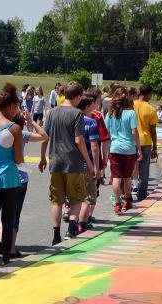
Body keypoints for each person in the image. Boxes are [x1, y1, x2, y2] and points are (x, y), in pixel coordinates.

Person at [39, 80, 92, 244]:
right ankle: (71, 229)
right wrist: (89, 162)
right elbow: (79, 140)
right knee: (76, 198)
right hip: (73, 163)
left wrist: (42, 157)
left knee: (57, 200)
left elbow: (44, 137)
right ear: (76, 97)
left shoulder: (52, 112)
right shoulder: (77, 114)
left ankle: (56, 234)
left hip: (56, 162)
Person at [0, 84, 25, 264]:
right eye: (16, 107)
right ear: (10, 107)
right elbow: (18, 159)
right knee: (8, 219)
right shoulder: (14, 128)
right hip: (8, 177)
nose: (17, 111)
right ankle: (6, 258)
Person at [106, 84, 139, 214]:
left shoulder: (110, 114)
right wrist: (139, 148)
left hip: (115, 148)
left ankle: (117, 203)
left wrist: (108, 150)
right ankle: (127, 201)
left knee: (116, 177)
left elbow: (107, 134)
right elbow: (134, 131)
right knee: (127, 177)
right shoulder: (131, 113)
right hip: (129, 149)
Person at [76, 95, 103, 233]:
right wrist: (97, 167)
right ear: (86, 106)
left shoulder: (72, 121)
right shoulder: (90, 123)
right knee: (88, 197)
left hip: (73, 164)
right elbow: (94, 146)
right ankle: (82, 224)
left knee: (76, 196)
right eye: (92, 105)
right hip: (87, 165)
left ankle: (73, 224)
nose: (94, 108)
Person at [132, 84, 159, 202]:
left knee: (129, 168)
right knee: (144, 169)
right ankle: (141, 193)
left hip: (131, 140)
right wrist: (155, 147)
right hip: (145, 141)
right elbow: (153, 131)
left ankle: (127, 192)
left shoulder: (131, 105)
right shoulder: (151, 109)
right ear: (148, 94)